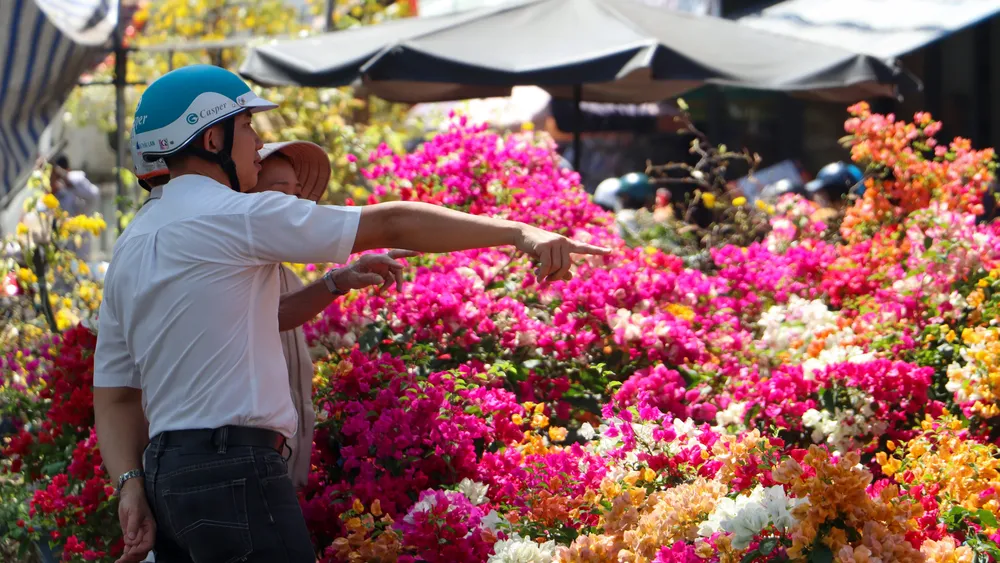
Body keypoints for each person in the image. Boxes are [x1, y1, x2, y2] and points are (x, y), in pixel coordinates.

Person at [94, 64, 610, 563]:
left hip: (167, 478)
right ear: (211, 140)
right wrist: (520, 232)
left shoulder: (130, 247)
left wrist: (129, 483)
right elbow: (394, 223)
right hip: (234, 471)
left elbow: (116, 397)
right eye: (247, 125)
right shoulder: (236, 215)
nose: (256, 140)